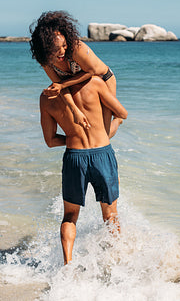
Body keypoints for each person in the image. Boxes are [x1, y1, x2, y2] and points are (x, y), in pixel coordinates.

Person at [38, 75, 128, 265]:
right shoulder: (94, 83)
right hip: (102, 155)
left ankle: (68, 266)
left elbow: (50, 141)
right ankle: (118, 262)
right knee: (110, 214)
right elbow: (122, 113)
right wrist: (117, 121)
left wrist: (73, 137)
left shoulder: (46, 97)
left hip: (74, 157)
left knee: (70, 216)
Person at [29, 10, 123, 138]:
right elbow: (59, 85)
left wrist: (61, 85)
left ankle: (117, 120)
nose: (62, 51)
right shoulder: (46, 61)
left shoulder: (76, 48)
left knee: (104, 134)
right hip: (79, 84)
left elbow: (90, 71)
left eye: (64, 45)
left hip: (103, 79)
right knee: (89, 132)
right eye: (56, 49)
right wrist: (74, 110)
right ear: (46, 49)